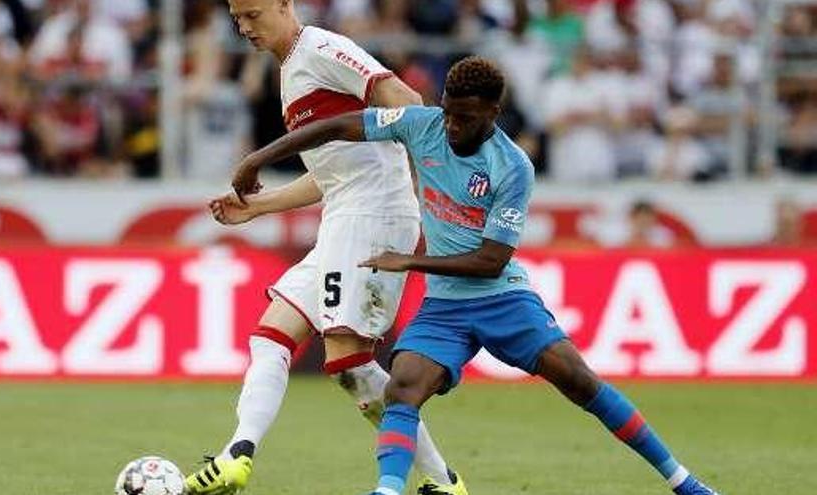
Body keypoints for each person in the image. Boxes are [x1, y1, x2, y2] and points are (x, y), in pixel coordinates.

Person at [227, 56, 722, 495]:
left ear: (492, 113)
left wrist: (410, 262)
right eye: (447, 110)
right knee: (403, 386)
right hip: (445, 307)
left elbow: (491, 260)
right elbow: (340, 125)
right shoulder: (422, 124)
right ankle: (388, 489)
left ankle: (685, 482)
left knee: (579, 382)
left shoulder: (512, 167)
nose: (451, 125)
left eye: (463, 117)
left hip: (501, 297)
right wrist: (259, 159)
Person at [188, 1, 467, 494]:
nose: (244, 27)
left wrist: (441, 187)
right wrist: (261, 205)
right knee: (272, 334)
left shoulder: (321, 49)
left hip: (375, 216)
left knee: (350, 364)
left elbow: (405, 99)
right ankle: (237, 456)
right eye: (237, 19)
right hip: (345, 215)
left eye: (253, 14)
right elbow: (332, 174)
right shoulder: (291, 70)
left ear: (284, 5)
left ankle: (444, 483)